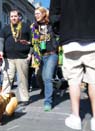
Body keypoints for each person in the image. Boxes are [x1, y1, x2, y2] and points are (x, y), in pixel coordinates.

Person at [50, 0, 95, 130]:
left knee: (73, 80)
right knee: (94, 79)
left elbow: (54, 14)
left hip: (70, 36)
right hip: (93, 34)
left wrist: (60, 29)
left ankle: (75, 117)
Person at [0, 9, 32, 106]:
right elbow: (1, 41)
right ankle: (4, 98)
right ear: (9, 18)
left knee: (22, 79)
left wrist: (30, 53)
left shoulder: (26, 27)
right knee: (7, 79)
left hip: (22, 57)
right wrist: (0, 51)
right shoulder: (5, 28)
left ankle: (25, 98)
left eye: (15, 16)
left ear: (19, 17)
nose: (13, 18)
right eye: (11, 16)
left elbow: (32, 41)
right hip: (8, 58)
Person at [31, 7, 58, 111]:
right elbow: (34, 41)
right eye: (35, 14)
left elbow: (58, 33)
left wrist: (57, 46)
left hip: (52, 54)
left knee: (47, 77)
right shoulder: (35, 27)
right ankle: (50, 92)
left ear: (43, 14)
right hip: (42, 56)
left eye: (38, 13)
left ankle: (48, 102)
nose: (36, 15)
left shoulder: (51, 24)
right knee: (42, 77)